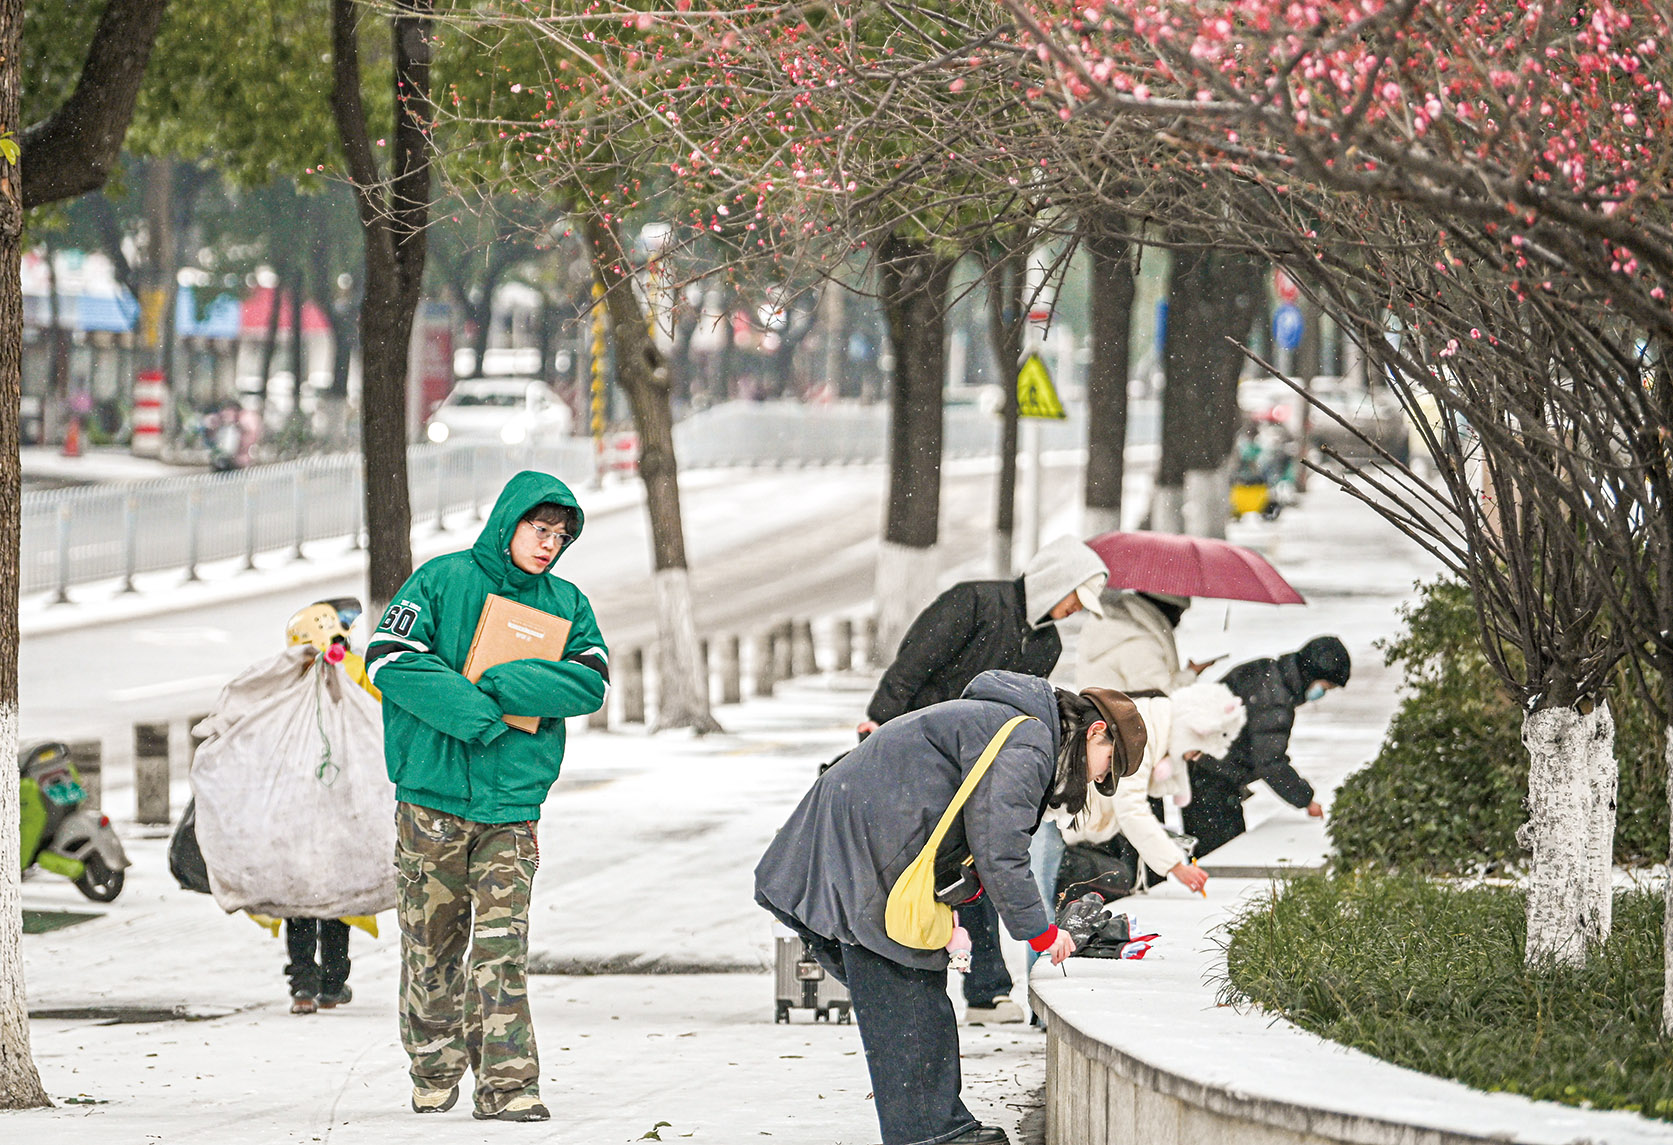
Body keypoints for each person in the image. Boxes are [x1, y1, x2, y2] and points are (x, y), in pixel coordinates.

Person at [756, 671, 1148, 1145]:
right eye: (1108, 763)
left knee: (899, 989)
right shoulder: (1029, 743)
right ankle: (930, 1133)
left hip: (849, 842)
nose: (1100, 776)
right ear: (1095, 732)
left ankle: (930, 1127)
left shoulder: (1018, 725)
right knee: (906, 985)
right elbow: (1000, 850)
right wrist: (1041, 933)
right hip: (862, 851)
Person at [366, 471, 609, 1123]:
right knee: (431, 945)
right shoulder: (441, 581)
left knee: (502, 945)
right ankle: (434, 1061)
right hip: (431, 801)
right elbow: (389, 658)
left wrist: (510, 681)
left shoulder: (567, 603)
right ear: (510, 521)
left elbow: (589, 680)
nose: (549, 545)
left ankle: (507, 1084)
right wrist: (473, 708)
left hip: (511, 806)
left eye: (560, 536)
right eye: (540, 529)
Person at [855, 535, 1109, 1024]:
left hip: (977, 769)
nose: (1075, 609)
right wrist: (880, 720)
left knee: (974, 868)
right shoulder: (974, 602)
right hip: (920, 752)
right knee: (906, 863)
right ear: (1055, 581)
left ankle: (984, 987)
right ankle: (889, 966)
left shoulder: (1046, 643)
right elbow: (914, 664)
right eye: (1076, 596)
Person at [1031, 681, 1247, 947]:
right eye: (1197, 750)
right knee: (1037, 901)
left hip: (1057, 806)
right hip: (1054, 808)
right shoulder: (1142, 733)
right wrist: (1175, 865)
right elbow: (1130, 808)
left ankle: (1038, 952)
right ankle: (1031, 963)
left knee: (1039, 897)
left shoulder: (1158, 722)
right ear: (1192, 733)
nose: (1193, 758)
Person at [280, 598, 379, 1016]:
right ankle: (333, 984)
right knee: (336, 894)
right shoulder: (355, 672)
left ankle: (303, 984)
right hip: (343, 800)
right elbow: (377, 724)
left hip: (298, 802)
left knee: (301, 895)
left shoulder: (286, 679)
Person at [1184, 635, 1351, 857]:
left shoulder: (1263, 670)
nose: (1321, 695)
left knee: (1206, 852)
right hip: (1214, 781)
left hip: (1200, 769)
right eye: (1325, 687)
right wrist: (1306, 799)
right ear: (1312, 675)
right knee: (1224, 856)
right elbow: (1270, 762)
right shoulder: (1276, 701)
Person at [1075, 589, 1218, 696]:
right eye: (1179, 612)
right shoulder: (1138, 642)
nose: (1179, 620)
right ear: (1164, 607)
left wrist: (1191, 672)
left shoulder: (1117, 626)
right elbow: (1160, 698)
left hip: (1099, 721)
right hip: (1120, 730)